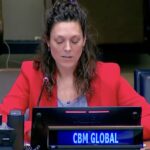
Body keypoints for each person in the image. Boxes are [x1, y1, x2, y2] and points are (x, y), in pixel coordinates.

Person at [0, 0, 150, 143]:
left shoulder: (108, 75)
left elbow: (147, 118)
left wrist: (112, 134)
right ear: (47, 41)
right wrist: (33, 130)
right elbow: (4, 119)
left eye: (75, 40)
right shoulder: (32, 73)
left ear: (84, 40)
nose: (67, 48)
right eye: (59, 41)